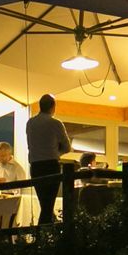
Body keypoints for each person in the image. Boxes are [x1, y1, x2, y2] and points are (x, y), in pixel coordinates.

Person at [24, 94, 73, 224]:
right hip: (51, 165)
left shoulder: (30, 123)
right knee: (48, 204)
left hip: (35, 166)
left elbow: (30, 144)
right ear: (53, 107)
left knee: (44, 203)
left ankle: (44, 233)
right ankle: (43, 236)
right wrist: (56, 152)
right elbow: (67, 147)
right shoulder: (56, 123)